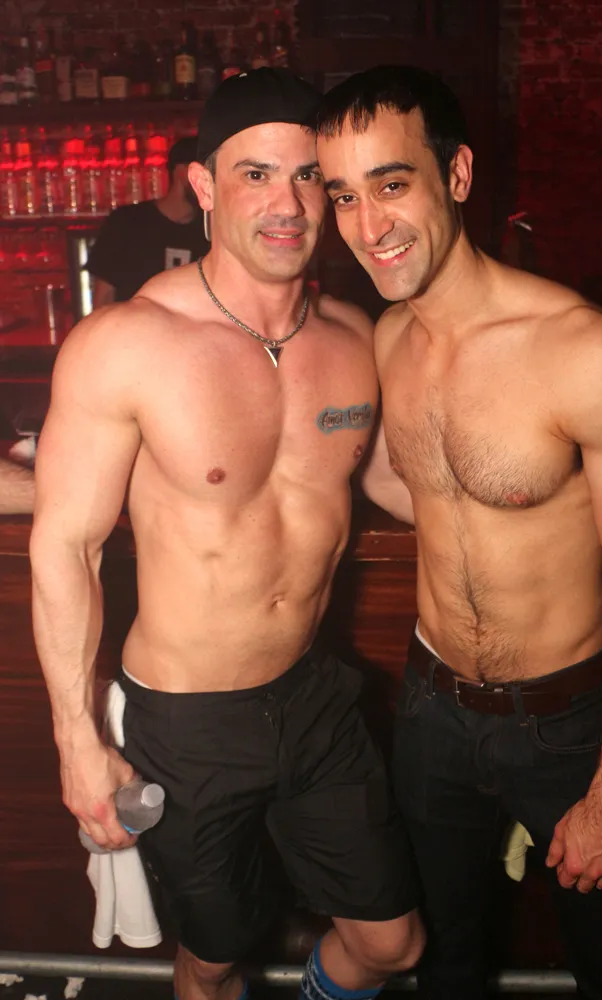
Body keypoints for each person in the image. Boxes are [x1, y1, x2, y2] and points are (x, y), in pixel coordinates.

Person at [30, 68, 423, 1000]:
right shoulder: (126, 343)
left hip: (314, 697)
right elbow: (66, 546)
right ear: (204, 185)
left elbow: (385, 480)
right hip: (185, 723)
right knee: (215, 957)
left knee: (391, 944)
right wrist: (77, 741)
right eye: (256, 175)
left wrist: (573, 525)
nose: (287, 205)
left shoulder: (353, 337)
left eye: (308, 178)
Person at [314, 65, 602, 1000]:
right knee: (444, 968)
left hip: (569, 724)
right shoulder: (389, 340)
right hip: (431, 711)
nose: (368, 225)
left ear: (458, 175)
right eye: (344, 196)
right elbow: (414, 486)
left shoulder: (589, 352)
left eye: (391, 184)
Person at [87, 136, 210, 307]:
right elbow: (104, 297)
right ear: (182, 171)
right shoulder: (128, 222)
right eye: (205, 173)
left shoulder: (210, 229)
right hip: (133, 324)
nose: (209, 183)